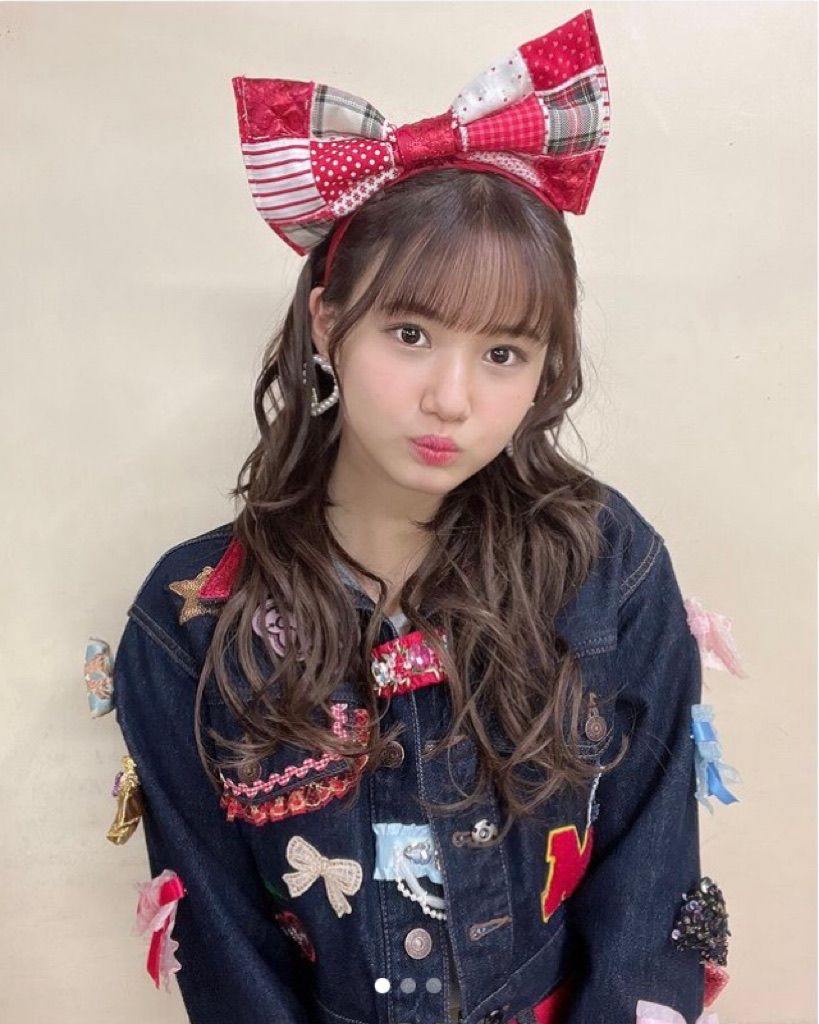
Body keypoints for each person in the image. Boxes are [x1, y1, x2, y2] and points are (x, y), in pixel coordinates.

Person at [109, 9, 732, 1024]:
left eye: (503, 353)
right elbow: (222, 950)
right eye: (409, 333)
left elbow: (649, 884)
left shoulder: (606, 565)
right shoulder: (192, 622)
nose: (451, 398)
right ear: (327, 323)